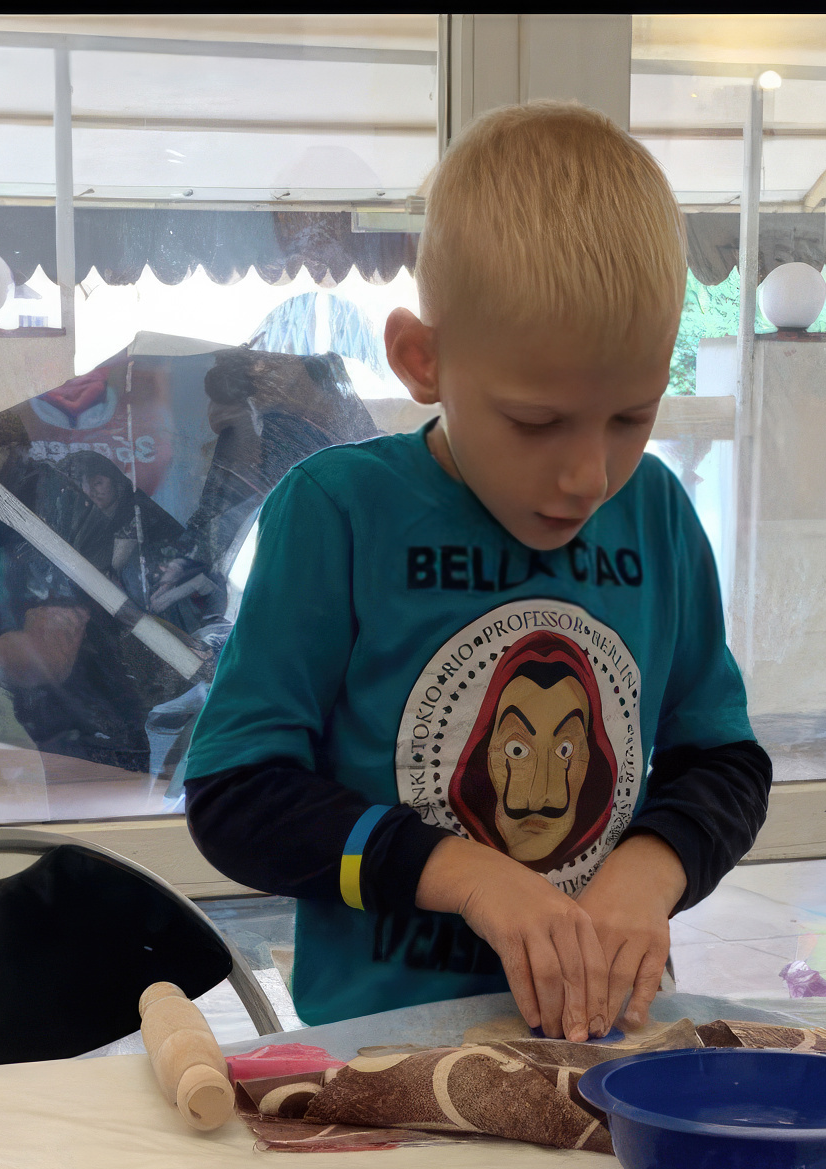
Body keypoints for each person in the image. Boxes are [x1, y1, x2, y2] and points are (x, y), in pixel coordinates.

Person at [184, 102, 772, 1038]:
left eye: (631, 417)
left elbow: (723, 763)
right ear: (423, 359)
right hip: (381, 1057)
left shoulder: (656, 512)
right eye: (536, 423)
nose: (589, 475)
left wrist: (649, 870)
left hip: (604, 1043)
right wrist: (472, 878)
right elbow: (237, 799)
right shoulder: (338, 514)